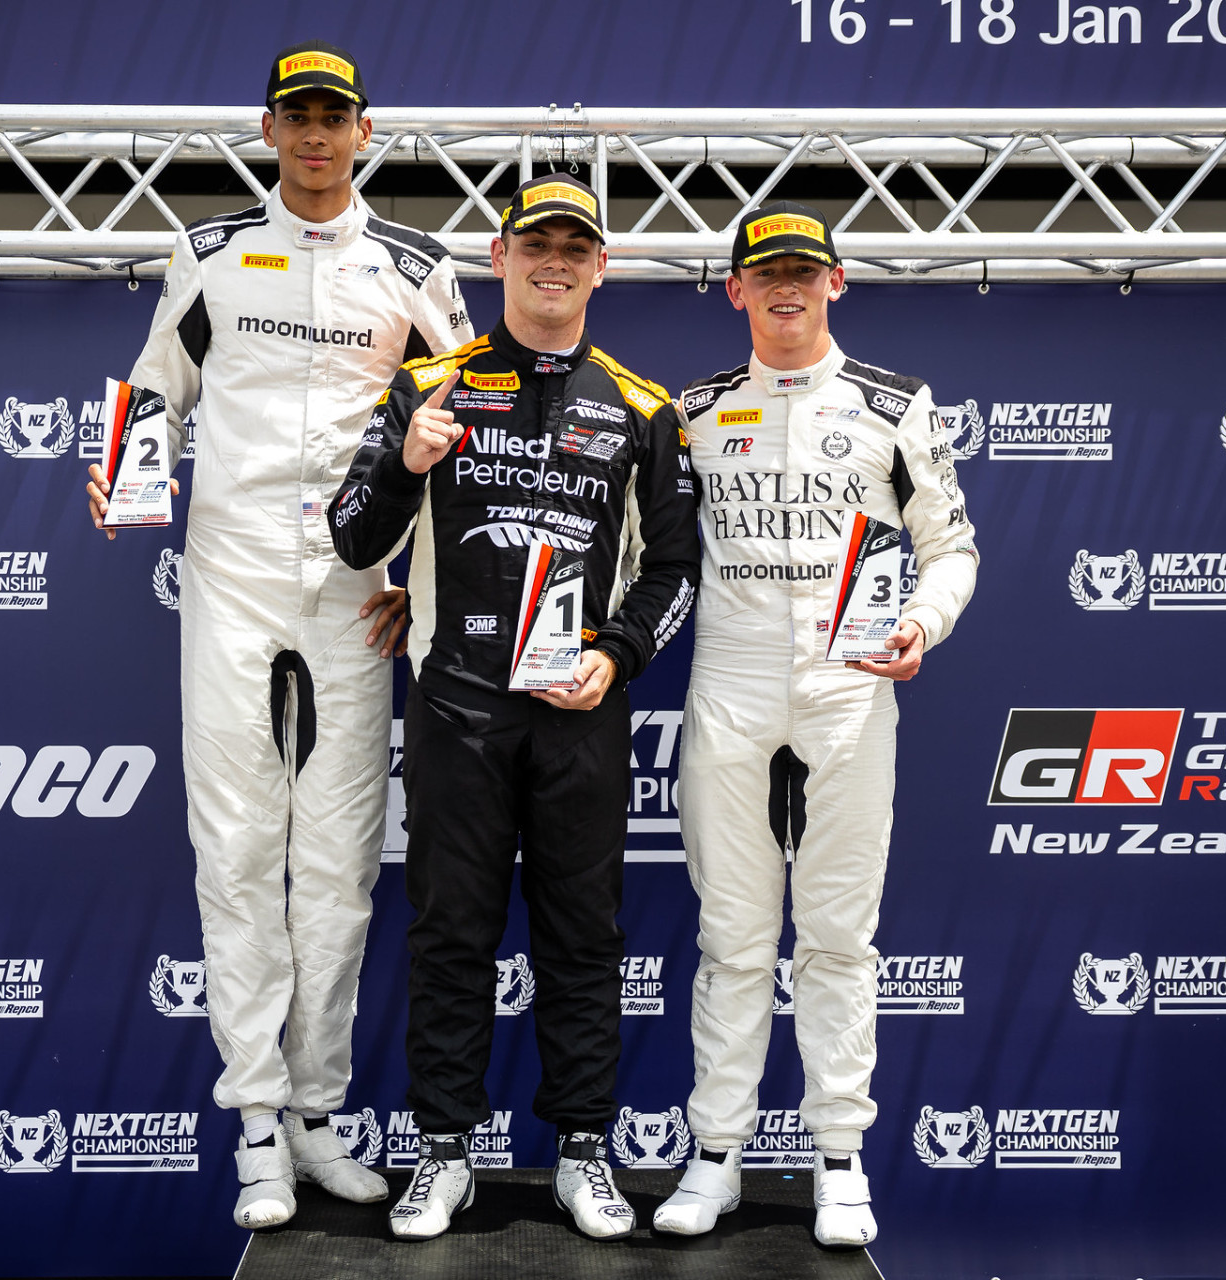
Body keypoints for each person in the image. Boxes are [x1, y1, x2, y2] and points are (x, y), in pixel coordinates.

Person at [85, 41, 474, 1231]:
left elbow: (463, 433)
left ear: (366, 133)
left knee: (342, 869)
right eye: (296, 116)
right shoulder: (206, 254)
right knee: (240, 849)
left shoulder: (417, 267)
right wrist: (121, 470)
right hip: (235, 584)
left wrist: (428, 583)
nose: (314, 136)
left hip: (355, 588)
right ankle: (256, 1118)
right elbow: (156, 393)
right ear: (267, 131)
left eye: (333, 117)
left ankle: (318, 1111)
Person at [328, 174, 700, 1242]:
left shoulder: (642, 408)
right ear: (498, 258)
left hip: (579, 711)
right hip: (456, 708)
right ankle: (443, 1150)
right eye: (536, 244)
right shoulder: (429, 383)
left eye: (575, 247)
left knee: (584, 935)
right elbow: (353, 535)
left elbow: (675, 570)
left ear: (601, 268)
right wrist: (406, 464)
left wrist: (617, 658)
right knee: (451, 933)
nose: (555, 262)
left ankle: (585, 1148)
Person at [651, 202, 977, 1248]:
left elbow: (952, 548)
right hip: (732, 682)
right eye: (766, 272)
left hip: (851, 686)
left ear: (837, 281)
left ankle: (839, 1157)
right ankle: (715, 1153)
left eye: (805, 269)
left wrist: (921, 622)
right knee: (733, 936)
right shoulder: (694, 411)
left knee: (839, 935)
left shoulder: (896, 403)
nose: (785, 287)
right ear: (735, 289)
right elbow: (646, 552)